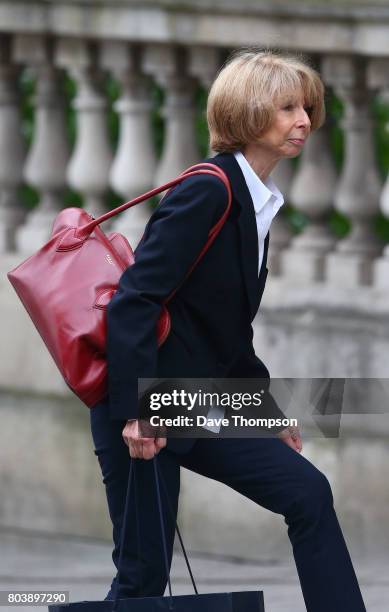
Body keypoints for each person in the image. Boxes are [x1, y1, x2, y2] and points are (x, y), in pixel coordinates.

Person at [90, 49, 366, 611]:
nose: (304, 121)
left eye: (306, 108)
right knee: (143, 575)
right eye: (288, 108)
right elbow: (134, 301)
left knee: (307, 492)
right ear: (246, 114)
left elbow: (225, 329)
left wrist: (264, 412)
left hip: (197, 400)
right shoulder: (209, 190)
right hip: (149, 400)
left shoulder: (256, 201)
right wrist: (135, 412)